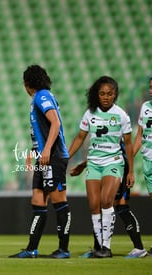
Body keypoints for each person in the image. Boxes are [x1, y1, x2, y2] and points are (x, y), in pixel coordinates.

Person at [68, 76, 134, 258]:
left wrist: (131, 171)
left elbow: (128, 144)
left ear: (115, 95)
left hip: (113, 162)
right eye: (102, 94)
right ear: (97, 94)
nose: (106, 97)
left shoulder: (121, 115)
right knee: (94, 205)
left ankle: (106, 247)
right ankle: (99, 247)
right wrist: (66, 157)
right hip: (94, 163)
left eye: (110, 94)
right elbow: (80, 138)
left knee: (106, 200)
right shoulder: (90, 113)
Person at [9, 65, 71, 259]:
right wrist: (35, 151)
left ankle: (64, 249)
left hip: (53, 157)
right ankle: (31, 249)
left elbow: (56, 123)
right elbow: (43, 130)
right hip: (42, 156)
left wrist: (45, 150)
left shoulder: (42, 96)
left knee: (59, 200)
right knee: (37, 199)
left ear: (27, 83)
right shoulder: (41, 97)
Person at [70, 144, 147, 258]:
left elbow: (120, 146)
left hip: (117, 165)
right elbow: (101, 149)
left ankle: (139, 248)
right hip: (103, 165)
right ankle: (98, 248)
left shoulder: (119, 128)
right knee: (99, 205)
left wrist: (130, 168)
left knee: (121, 206)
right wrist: (84, 164)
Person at [133, 76, 152, 254]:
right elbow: (140, 135)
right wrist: (130, 155)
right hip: (148, 161)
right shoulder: (146, 107)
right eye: (151, 87)